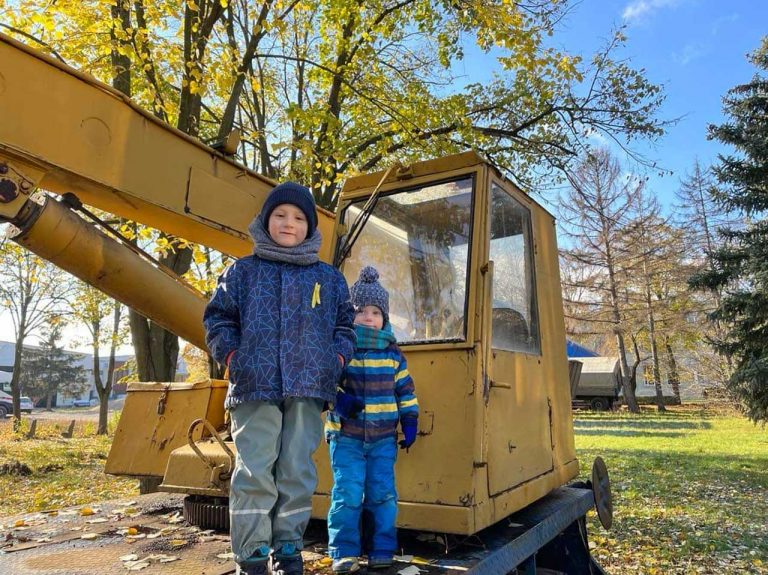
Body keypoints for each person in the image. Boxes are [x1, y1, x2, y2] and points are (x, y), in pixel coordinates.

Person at [204, 182, 356, 575]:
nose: (289, 223)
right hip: (256, 386)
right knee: (255, 470)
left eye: (299, 217)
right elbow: (218, 319)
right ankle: (252, 555)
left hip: (309, 387)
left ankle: (288, 547)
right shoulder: (242, 272)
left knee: (296, 470)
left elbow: (345, 326)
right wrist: (235, 356)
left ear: (310, 226)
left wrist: (336, 359)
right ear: (265, 220)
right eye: (280, 215)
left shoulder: (329, 278)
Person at [325, 266, 419, 574]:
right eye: (361, 311)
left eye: (376, 312)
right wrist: (339, 402)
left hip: (382, 440)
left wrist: (409, 420)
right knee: (348, 493)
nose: (368, 317)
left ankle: (382, 548)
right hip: (346, 437)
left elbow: (405, 389)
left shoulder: (393, 354)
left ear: (385, 318)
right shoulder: (342, 349)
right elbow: (325, 385)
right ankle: (344, 550)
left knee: (383, 494)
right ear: (350, 316)